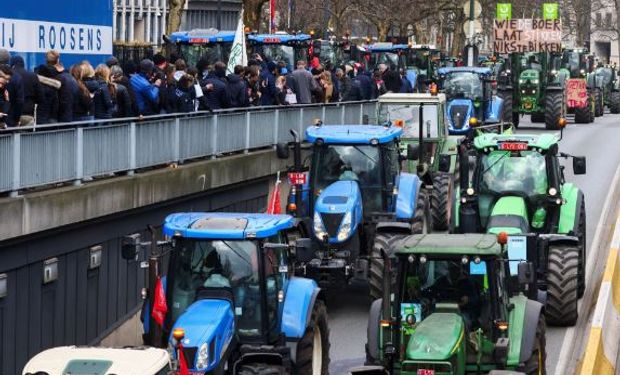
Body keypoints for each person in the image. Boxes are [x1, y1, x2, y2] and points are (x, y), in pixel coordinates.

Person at [46, 50, 78, 123]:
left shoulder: (57, 79)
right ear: (58, 60)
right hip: (70, 116)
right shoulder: (70, 77)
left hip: (59, 118)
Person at [10, 55, 41, 126]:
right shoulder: (33, 76)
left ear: (12, 64)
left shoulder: (10, 75)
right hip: (28, 113)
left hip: (12, 114)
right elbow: (40, 97)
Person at [0, 49, 23, 127]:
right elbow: (19, 101)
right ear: (8, 60)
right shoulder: (16, 77)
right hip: (10, 119)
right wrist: (16, 119)